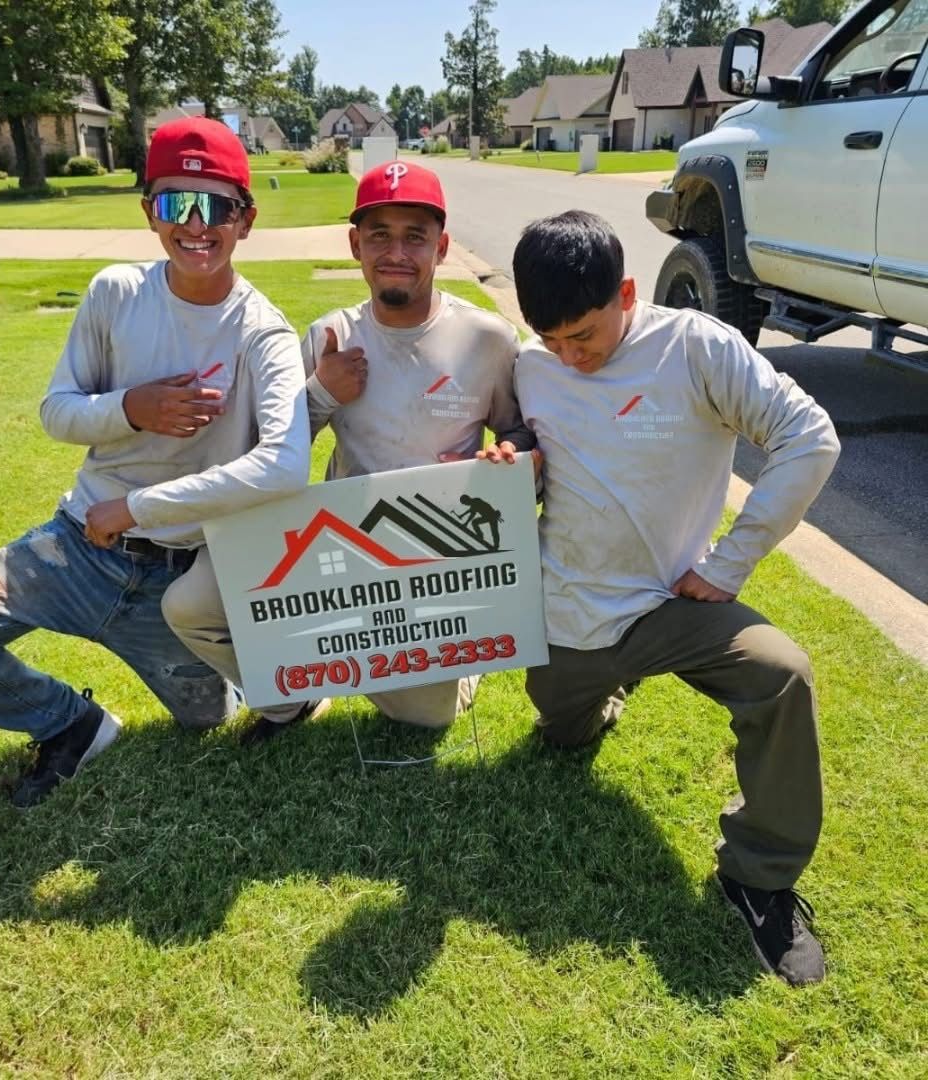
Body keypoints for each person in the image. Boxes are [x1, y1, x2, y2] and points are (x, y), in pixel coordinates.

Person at [0, 117, 311, 807]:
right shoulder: (116, 293)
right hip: (77, 547)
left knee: (210, 718)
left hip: (175, 575)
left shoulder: (263, 332)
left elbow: (285, 465)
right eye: (177, 203)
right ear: (150, 210)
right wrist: (131, 408)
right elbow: (56, 409)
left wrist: (137, 508)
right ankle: (73, 726)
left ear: (247, 218)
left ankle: (255, 674)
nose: (197, 224)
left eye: (219, 206)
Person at [502, 210, 840, 986]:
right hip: (569, 616)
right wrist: (515, 456)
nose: (567, 357)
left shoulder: (696, 347)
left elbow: (809, 437)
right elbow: (520, 447)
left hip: (675, 608)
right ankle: (594, 701)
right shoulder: (532, 363)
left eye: (583, 336)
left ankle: (759, 876)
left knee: (781, 674)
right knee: (562, 733)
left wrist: (728, 566)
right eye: (550, 341)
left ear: (627, 291)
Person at [257, 161, 532, 739]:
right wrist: (321, 394)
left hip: (438, 556)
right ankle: (332, 655)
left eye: (416, 236)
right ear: (355, 244)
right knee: (223, 606)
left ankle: (457, 662)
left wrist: (504, 457)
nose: (396, 251)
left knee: (429, 716)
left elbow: (520, 433)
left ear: (443, 246)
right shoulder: (330, 335)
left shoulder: (487, 338)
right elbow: (273, 453)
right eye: (379, 234)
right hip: (345, 548)